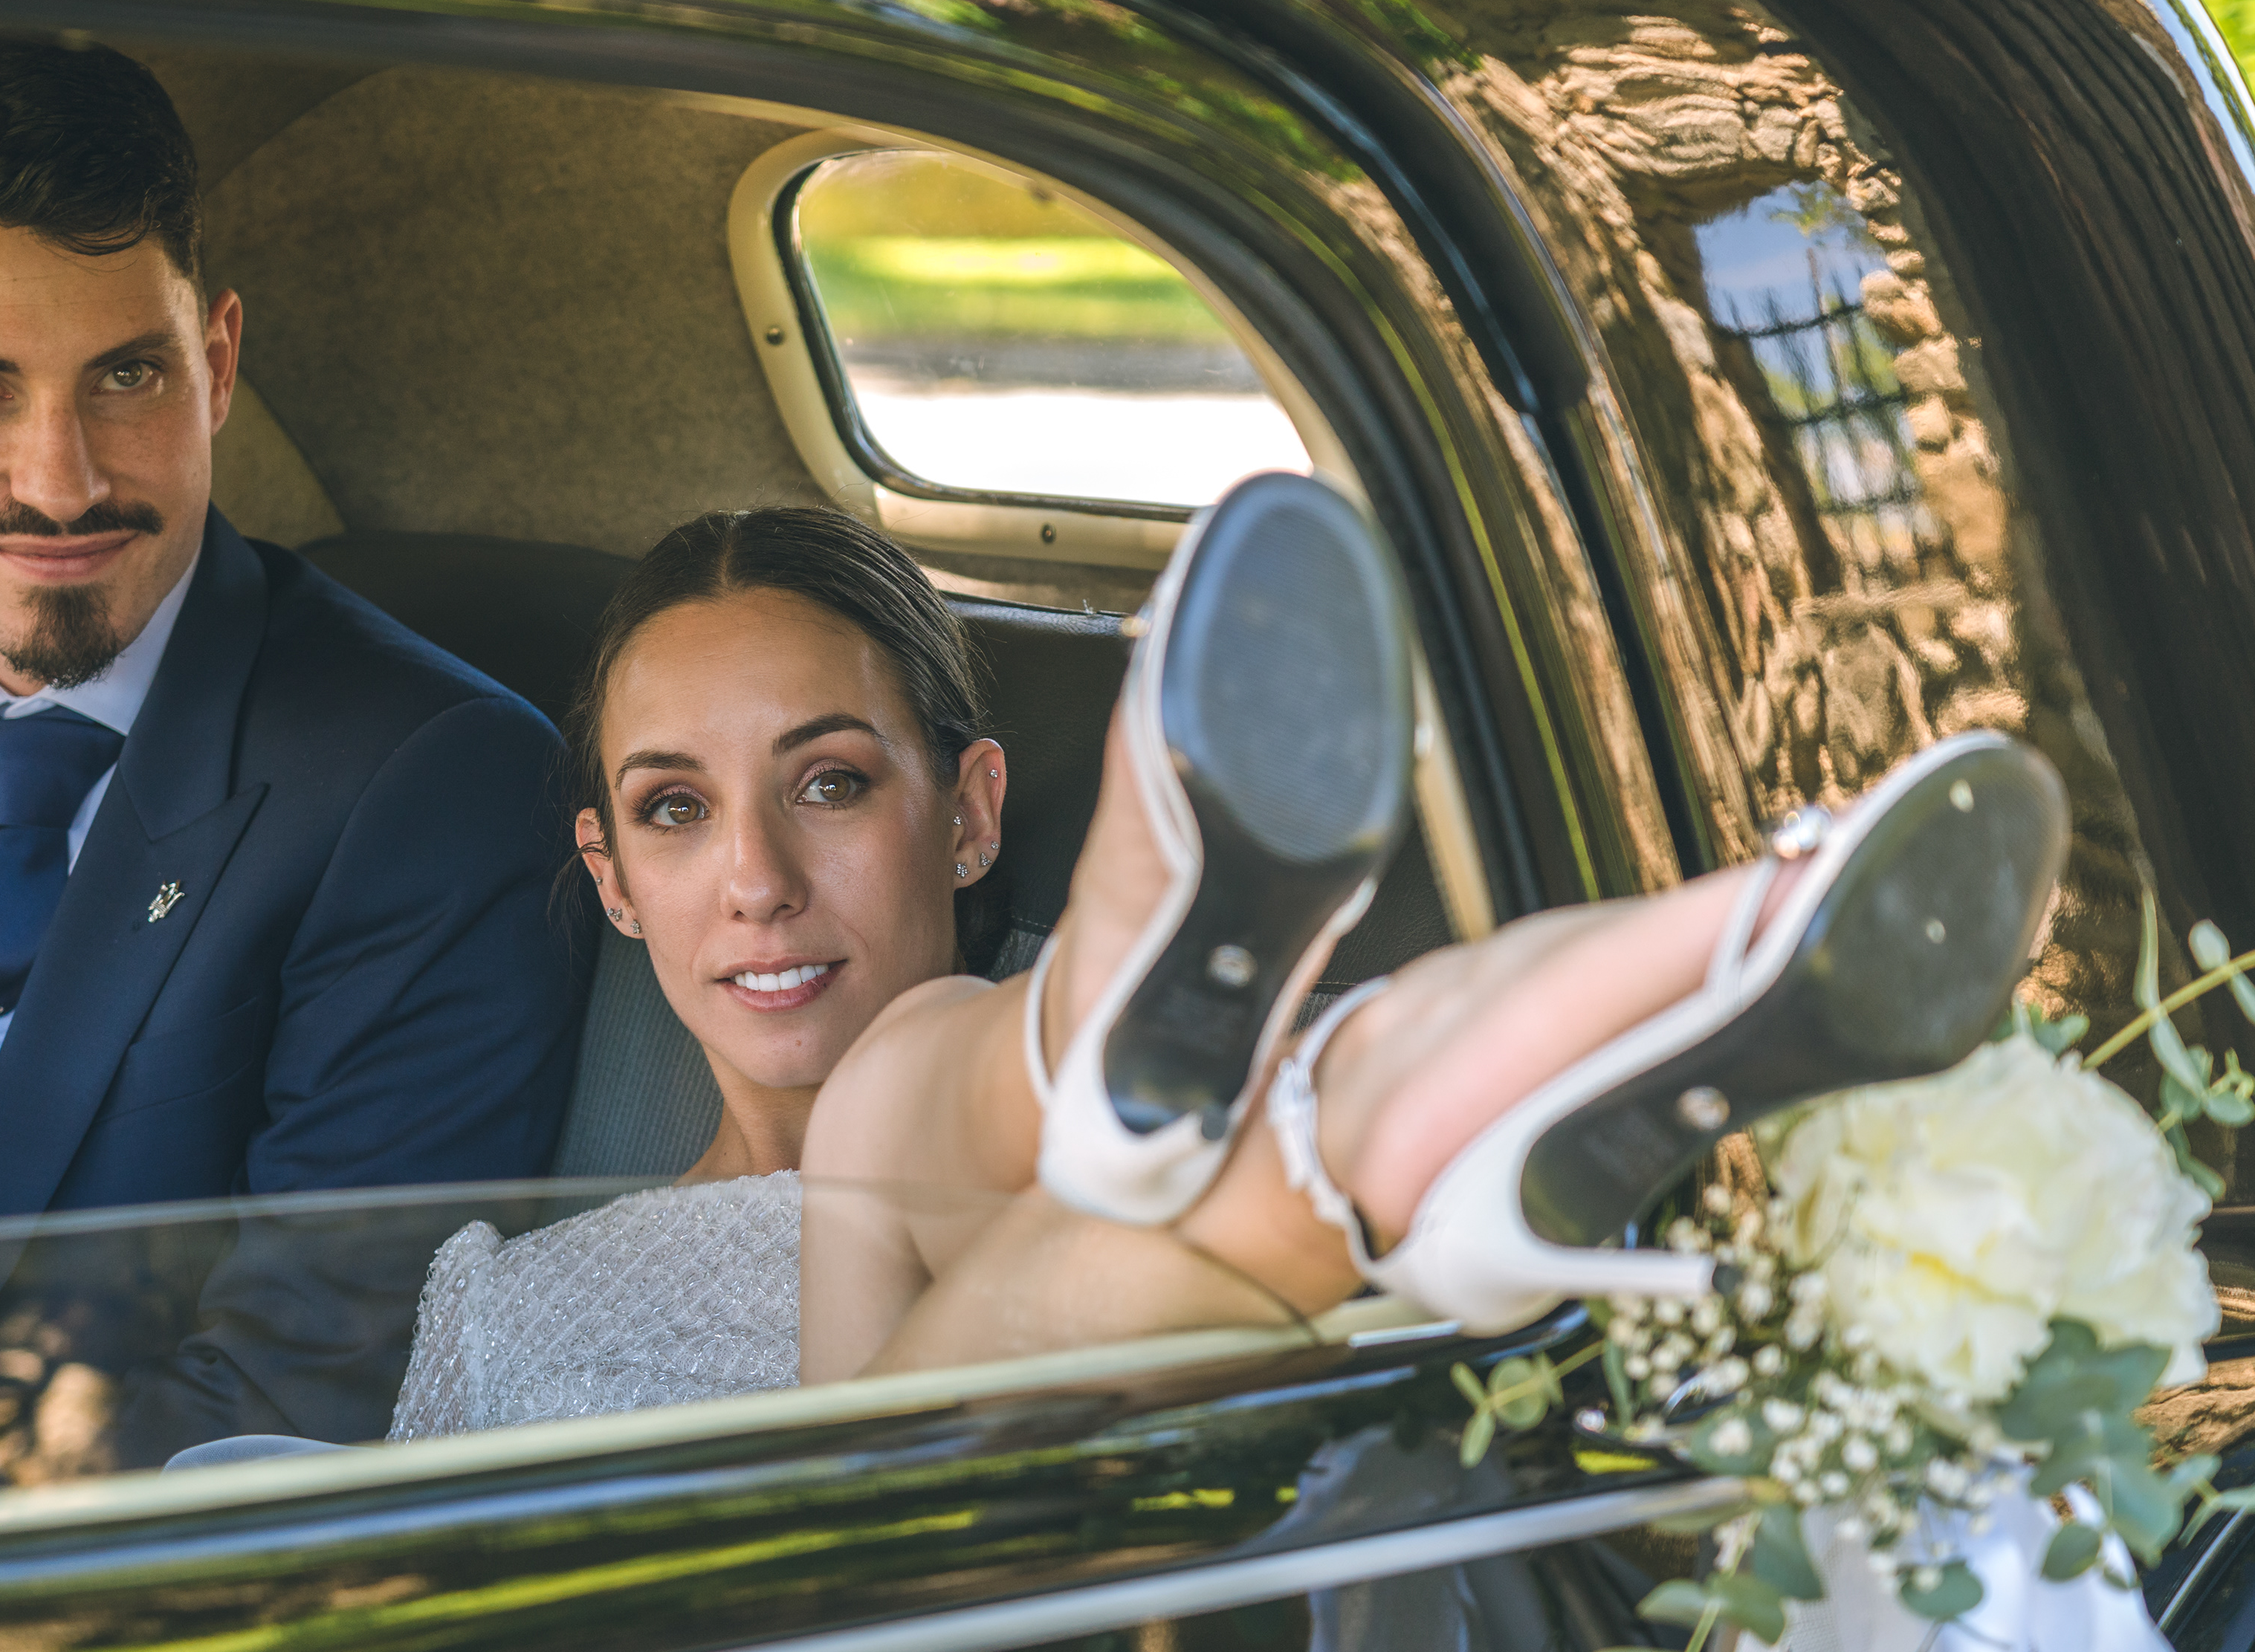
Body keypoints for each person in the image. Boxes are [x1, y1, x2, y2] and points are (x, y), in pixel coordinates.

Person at [359, 486, 2063, 1443]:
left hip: (1056, 1554)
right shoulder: (503, 1312)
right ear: (612, 880)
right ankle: (1718, 955)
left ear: (973, 815)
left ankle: (1139, 1020)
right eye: (673, 810)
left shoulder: (987, 1077)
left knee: (920, 1083)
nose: (755, 881)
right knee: (1088, 1155)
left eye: (831, 784)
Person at [0, 33, 589, 1424]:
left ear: (218, 362)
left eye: (128, 376)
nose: (62, 481)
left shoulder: (431, 784)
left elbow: (290, 1390)